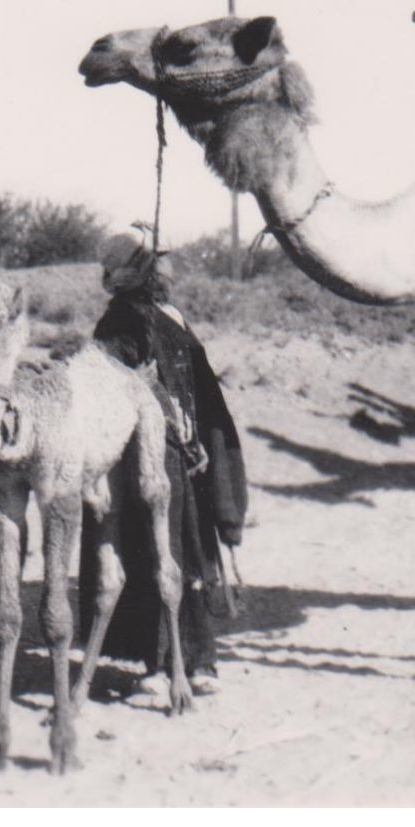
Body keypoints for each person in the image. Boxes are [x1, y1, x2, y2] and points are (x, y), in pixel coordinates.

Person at [79, 237, 248, 701]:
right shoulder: (119, 323)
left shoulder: (170, 321)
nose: (167, 274)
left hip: (177, 456)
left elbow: (201, 393)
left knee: (180, 552)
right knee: (159, 552)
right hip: (142, 455)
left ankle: (191, 663)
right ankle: (170, 665)